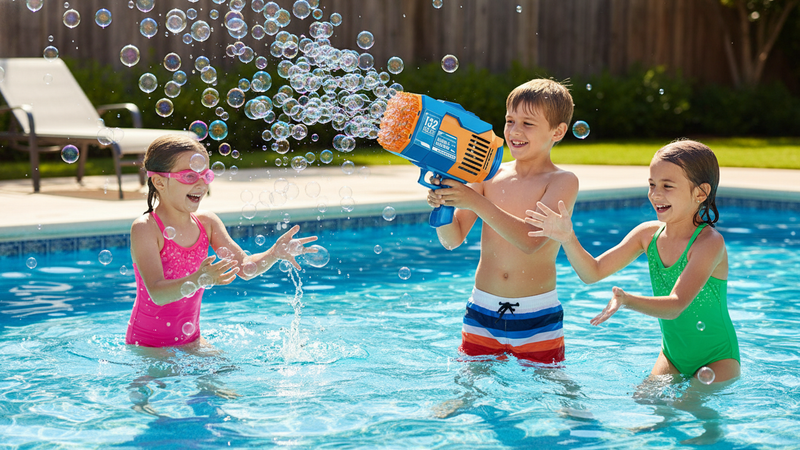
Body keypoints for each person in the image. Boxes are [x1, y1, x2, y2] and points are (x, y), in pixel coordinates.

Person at [525, 139, 740, 383]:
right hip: (672, 357)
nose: (655, 194)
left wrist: (627, 300)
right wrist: (567, 237)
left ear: (700, 193)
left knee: (694, 414)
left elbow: (676, 305)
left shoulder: (708, 243)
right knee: (645, 411)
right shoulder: (647, 235)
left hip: (717, 359)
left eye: (667, 186)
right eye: (652, 184)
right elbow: (592, 273)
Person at [427, 79, 579, 364]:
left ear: (557, 131)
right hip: (482, 310)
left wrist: (473, 200)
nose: (515, 131)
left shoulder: (562, 182)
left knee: (551, 391)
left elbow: (529, 240)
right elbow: (452, 239)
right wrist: (443, 204)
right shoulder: (487, 175)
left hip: (537, 315)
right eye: (510, 120)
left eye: (528, 123)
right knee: (469, 388)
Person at [125, 134, 317, 348]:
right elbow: (157, 293)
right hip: (148, 345)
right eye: (189, 176)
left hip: (192, 341)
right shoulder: (146, 228)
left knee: (228, 378)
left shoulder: (207, 223)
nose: (200, 183)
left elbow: (245, 268)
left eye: (205, 175)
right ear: (159, 181)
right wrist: (198, 279)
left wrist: (273, 253)